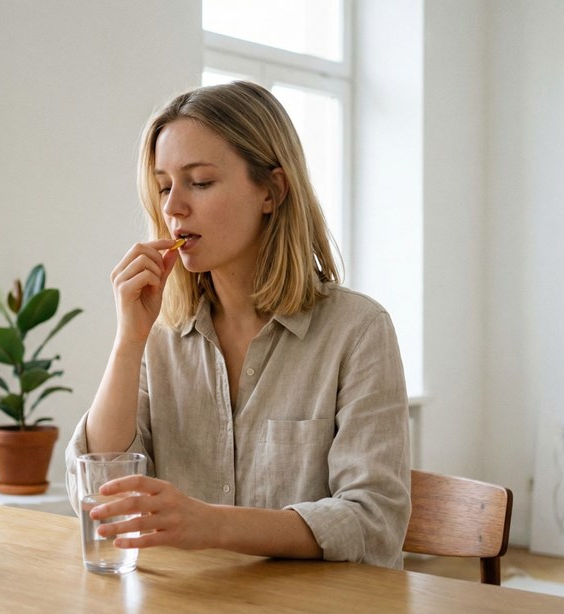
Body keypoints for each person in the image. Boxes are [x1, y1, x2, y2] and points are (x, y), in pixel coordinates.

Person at [64, 81, 410, 568]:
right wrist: (129, 340)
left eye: (199, 182)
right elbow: (98, 493)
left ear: (272, 191)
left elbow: (373, 523)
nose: (172, 208)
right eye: (164, 187)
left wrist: (212, 524)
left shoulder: (358, 330)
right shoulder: (160, 334)